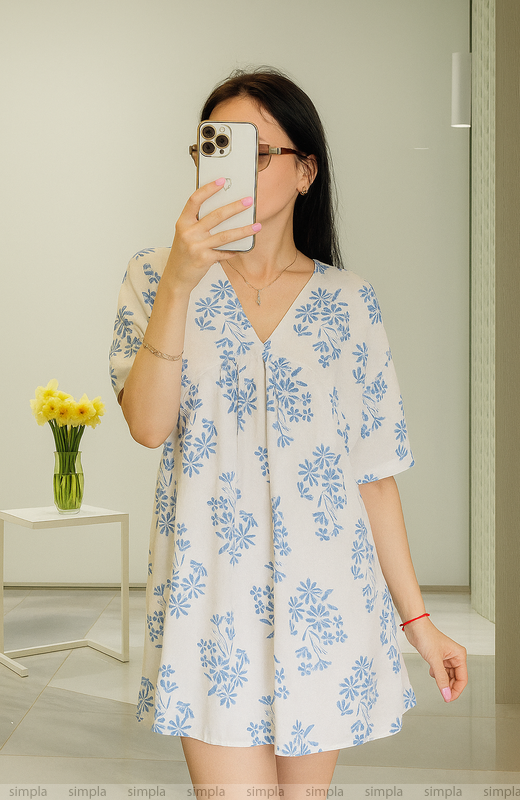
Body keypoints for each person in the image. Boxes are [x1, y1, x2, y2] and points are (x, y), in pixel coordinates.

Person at [109, 67, 468, 799]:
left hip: (327, 603)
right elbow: (148, 427)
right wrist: (180, 281)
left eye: (260, 151)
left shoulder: (349, 303)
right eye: (219, 147)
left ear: (306, 171)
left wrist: (419, 622)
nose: (237, 168)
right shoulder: (152, 277)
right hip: (210, 601)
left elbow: (373, 477)